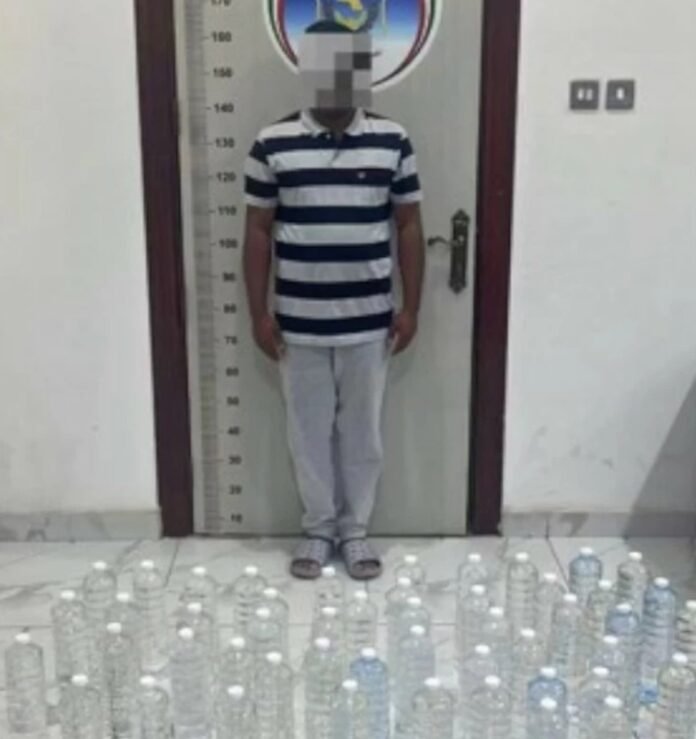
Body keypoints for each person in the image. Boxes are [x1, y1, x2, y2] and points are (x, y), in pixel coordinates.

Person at [243, 19, 424, 580]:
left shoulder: (392, 140)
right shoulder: (271, 143)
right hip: (298, 323)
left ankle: (356, 531)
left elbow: (410, 225)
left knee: (363, 434)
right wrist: (258, 313)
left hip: (370, 322)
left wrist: (412, 307)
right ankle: (319, 529)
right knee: (308, 433)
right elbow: (257, 231)